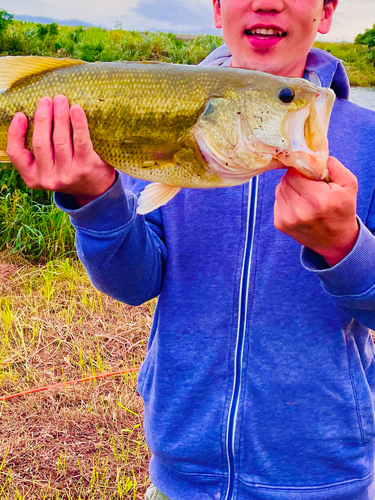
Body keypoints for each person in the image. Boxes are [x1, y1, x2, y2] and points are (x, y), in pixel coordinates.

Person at [6, 0, 375, 498]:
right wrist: (95, 199)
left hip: (327, 479)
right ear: (219, 9)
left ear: (327, 12)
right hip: (180, 476)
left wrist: (343, 247)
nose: (267, 2)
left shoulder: (368, 140)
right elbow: (134, 282)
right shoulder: (164, 105)